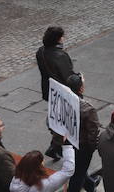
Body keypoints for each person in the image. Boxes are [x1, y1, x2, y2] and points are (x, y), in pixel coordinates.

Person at [35, 26, 76, 160]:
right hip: (62, 92)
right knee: (63, 121)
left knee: (59, 118)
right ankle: (56, 146)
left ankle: (55, 146)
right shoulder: (60, 55)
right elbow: (68, 76)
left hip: (49, 89)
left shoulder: (41, 51)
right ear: (58, 39)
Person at [63, 75, 100, 192]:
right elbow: (93, 132)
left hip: (68, 141)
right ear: (80, 89)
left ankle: (90, 185)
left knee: (79, 169)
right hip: (82, 146)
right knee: (78, 174)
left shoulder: (62, 100)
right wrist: (92, 147)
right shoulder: (88, 109)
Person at [11, 144, 76, 192]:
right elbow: (68, 171)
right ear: (39, 165)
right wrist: (67, 147)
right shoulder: (43, 185)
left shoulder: (16, 179)